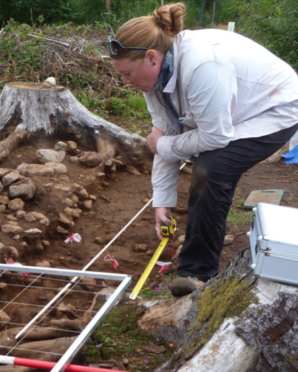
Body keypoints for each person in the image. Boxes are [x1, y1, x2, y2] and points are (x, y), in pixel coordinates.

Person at [109, 3, 298, 296]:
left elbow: (212, 137)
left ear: (150, 57)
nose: (125, 82)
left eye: (128, 73)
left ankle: (198, 274)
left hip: (276, 108)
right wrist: (162, 200)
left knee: (212, 169)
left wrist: (164, 144)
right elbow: (165, 135)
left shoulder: (203, 64)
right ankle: (198, 263)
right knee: (201, 158)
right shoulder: (156, 78)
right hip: (234, 110)